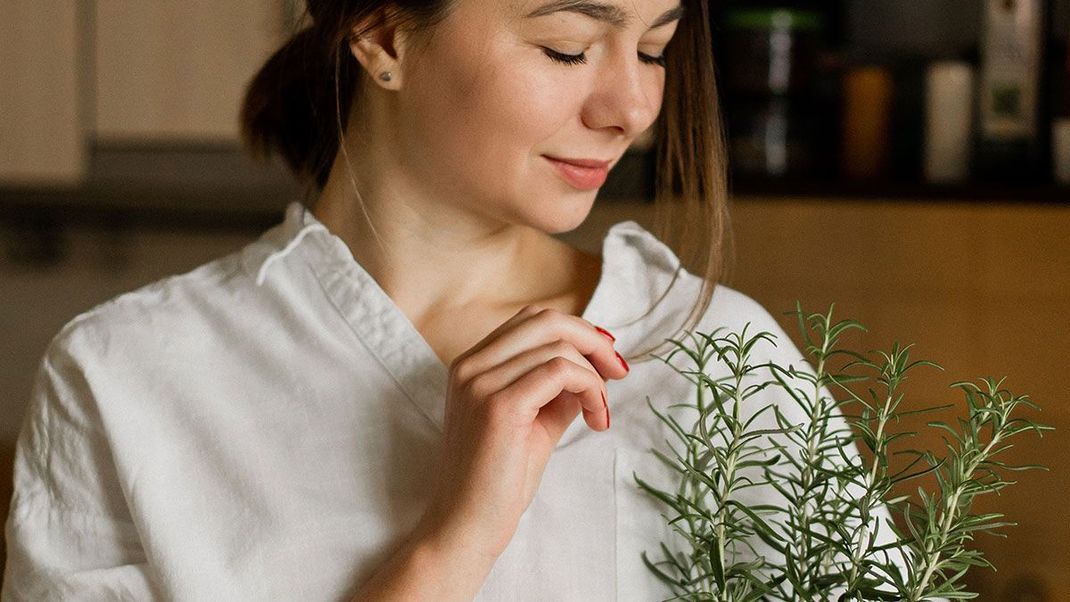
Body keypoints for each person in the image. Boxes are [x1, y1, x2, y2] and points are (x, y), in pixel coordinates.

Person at [2, 0, 896, 600]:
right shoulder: (125, 377)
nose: (632, 106)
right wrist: (451, 544)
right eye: (568, 47)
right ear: (385, 37)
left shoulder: (716, 351)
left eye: (655, 49)